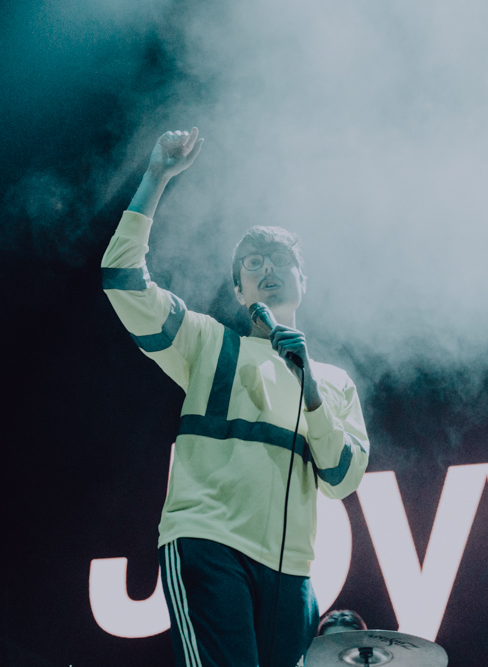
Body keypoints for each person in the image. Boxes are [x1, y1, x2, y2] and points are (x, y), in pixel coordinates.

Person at [101, 128, 370, 667]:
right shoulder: (207, 343)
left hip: (291, 572)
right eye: (253, 262)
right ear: (239, 290)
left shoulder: (333, 381)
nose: (267, 268)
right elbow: (122, 280)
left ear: (303, 281)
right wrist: (155, 178)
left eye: (278, 259)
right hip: (209, 542)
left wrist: (311, 392)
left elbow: (342, 479)